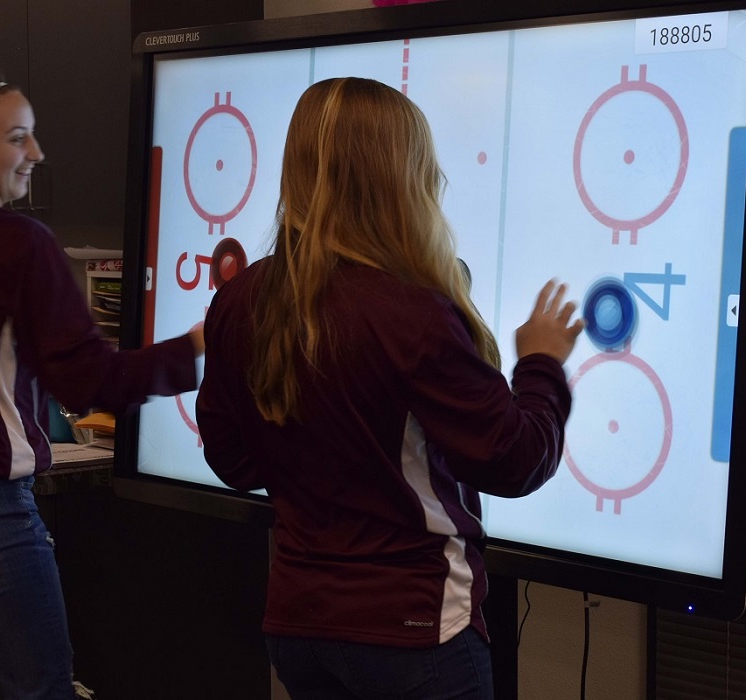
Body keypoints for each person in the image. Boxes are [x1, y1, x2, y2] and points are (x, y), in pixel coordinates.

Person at [196, 76, 583, 699]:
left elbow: (233, 461)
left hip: (300, 628)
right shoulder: (414, 315)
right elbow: (513, 460)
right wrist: (541, 365)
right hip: (413, 636)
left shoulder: (239, 301)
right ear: (403, 179)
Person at [0, 68, 202, 700]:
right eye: (18, 138)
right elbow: (88, 380)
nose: (37, 155)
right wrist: (193, 351)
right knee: (42, 688)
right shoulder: (19, 242)